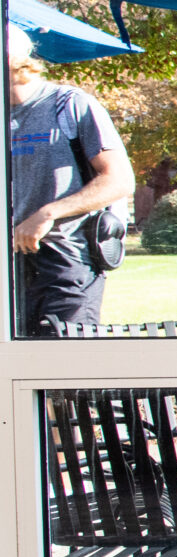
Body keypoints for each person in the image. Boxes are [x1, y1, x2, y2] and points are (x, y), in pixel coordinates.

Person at [8, 25, 133, 337]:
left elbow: (118, 180)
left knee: (63, 370)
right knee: (17, 373)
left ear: (13, 63)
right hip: (13, 264)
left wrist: (47, 214)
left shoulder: (69, 104)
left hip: (69, 259)